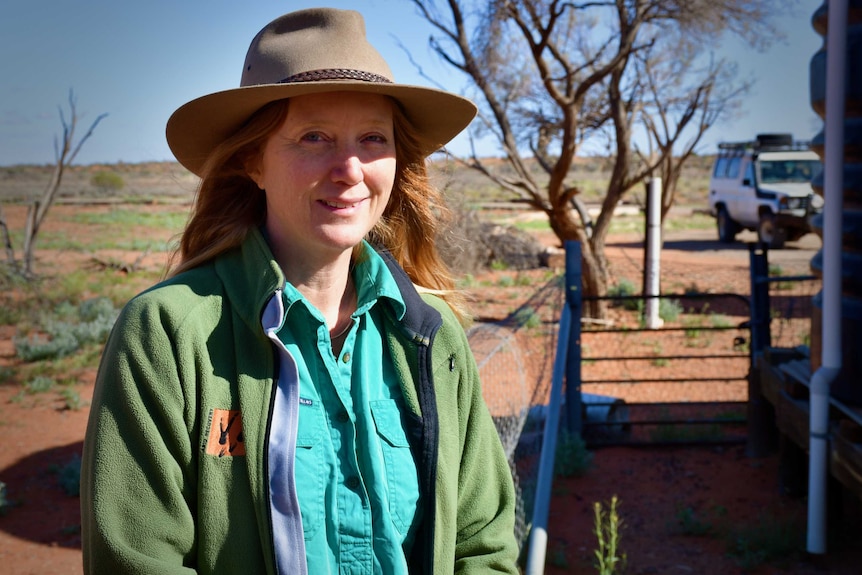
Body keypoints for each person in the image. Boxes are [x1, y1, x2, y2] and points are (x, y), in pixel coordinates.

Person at [80, 7, 519, 575]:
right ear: (251, 161)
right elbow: (135, 560)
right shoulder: (168, 333)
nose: (350, 169)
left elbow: (483, 543)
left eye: (372, 138)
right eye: (314, 137)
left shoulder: (430, 336)